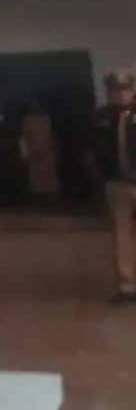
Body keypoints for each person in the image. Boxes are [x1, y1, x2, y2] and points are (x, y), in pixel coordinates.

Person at [90, 71, 136, 305]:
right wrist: (101, 175)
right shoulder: (101, 118)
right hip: (116, 183)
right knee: (121, 235)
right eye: (113, 91)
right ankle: (127, 286)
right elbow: (91, 148)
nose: (119, 95)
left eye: (123, 90)